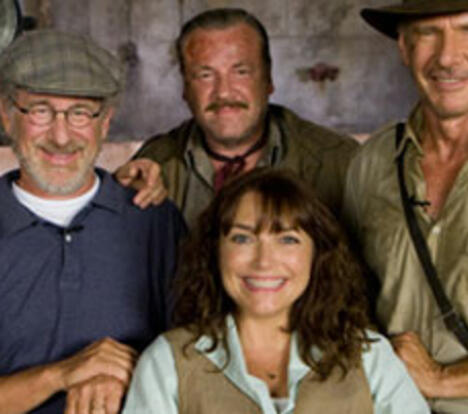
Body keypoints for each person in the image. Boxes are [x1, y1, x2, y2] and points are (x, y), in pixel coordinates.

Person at [0, 29, 184, 414]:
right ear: (7, 115)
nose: (61, 137)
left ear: (105, 122)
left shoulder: (155, 221)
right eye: (40, 111)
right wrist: (61, 374)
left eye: (80, 113)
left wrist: (131, 374)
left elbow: (199, 365)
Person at [123, 168, 428, 413]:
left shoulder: (370, 356)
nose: (264, 262)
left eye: (287, 240)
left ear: (317, 254)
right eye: (242, 239)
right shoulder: (167, 362)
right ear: (214, 250)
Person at [344, 1, 468, 412]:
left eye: (467, 30)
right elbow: (347, 297)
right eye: (429, 33)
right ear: (403, 47)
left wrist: (442, 379)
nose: (447, 57)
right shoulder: (373, 162)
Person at [132, 8, 358, 227]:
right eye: (205, 75)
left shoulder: (340, 163)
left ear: (268, 80)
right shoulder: (154, 165)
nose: (224, 92)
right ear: (185, 88)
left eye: (241, 72)